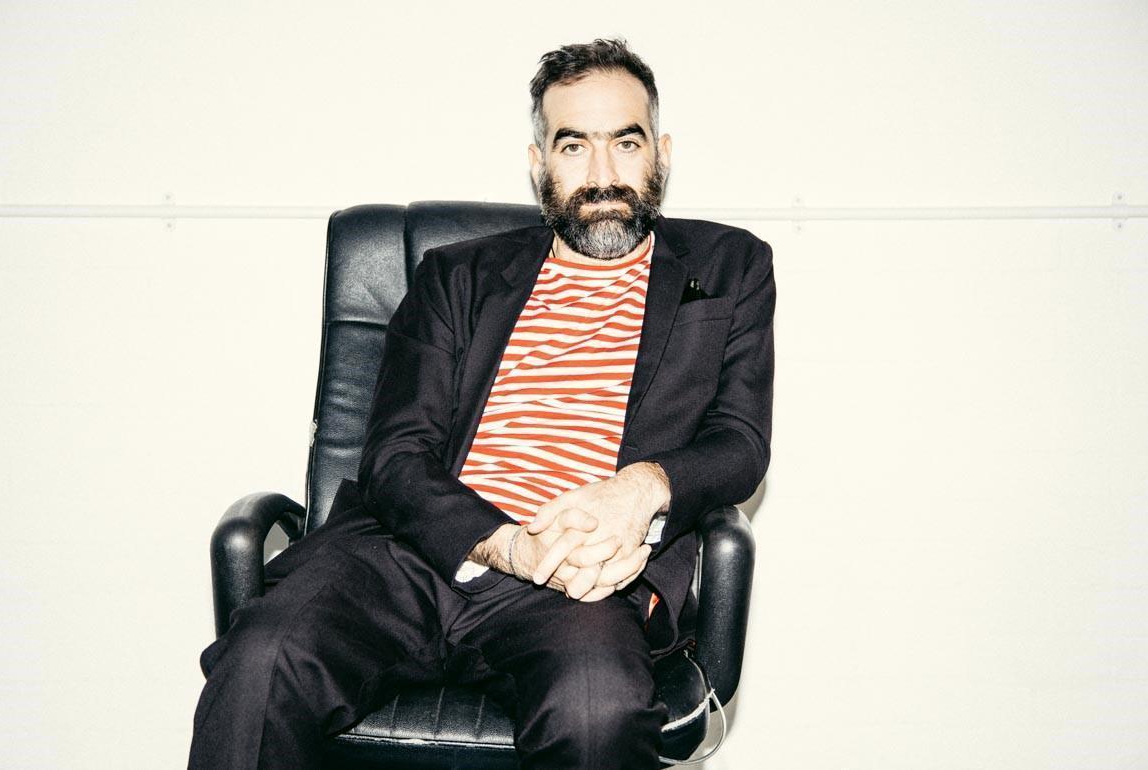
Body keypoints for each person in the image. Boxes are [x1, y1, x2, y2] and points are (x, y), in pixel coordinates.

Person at [188, 38, 775, 770]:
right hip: (406, 556)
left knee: (597, 708)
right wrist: (504, 545)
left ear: (660, 152)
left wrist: (640, 489)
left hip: (580, 579)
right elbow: (396, 453)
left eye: (624, 144)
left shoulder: (729, 266)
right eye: (571, 147)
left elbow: (739, 442)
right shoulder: (454, 275)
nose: (601, 176)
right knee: (261, 662)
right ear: (538, 164)